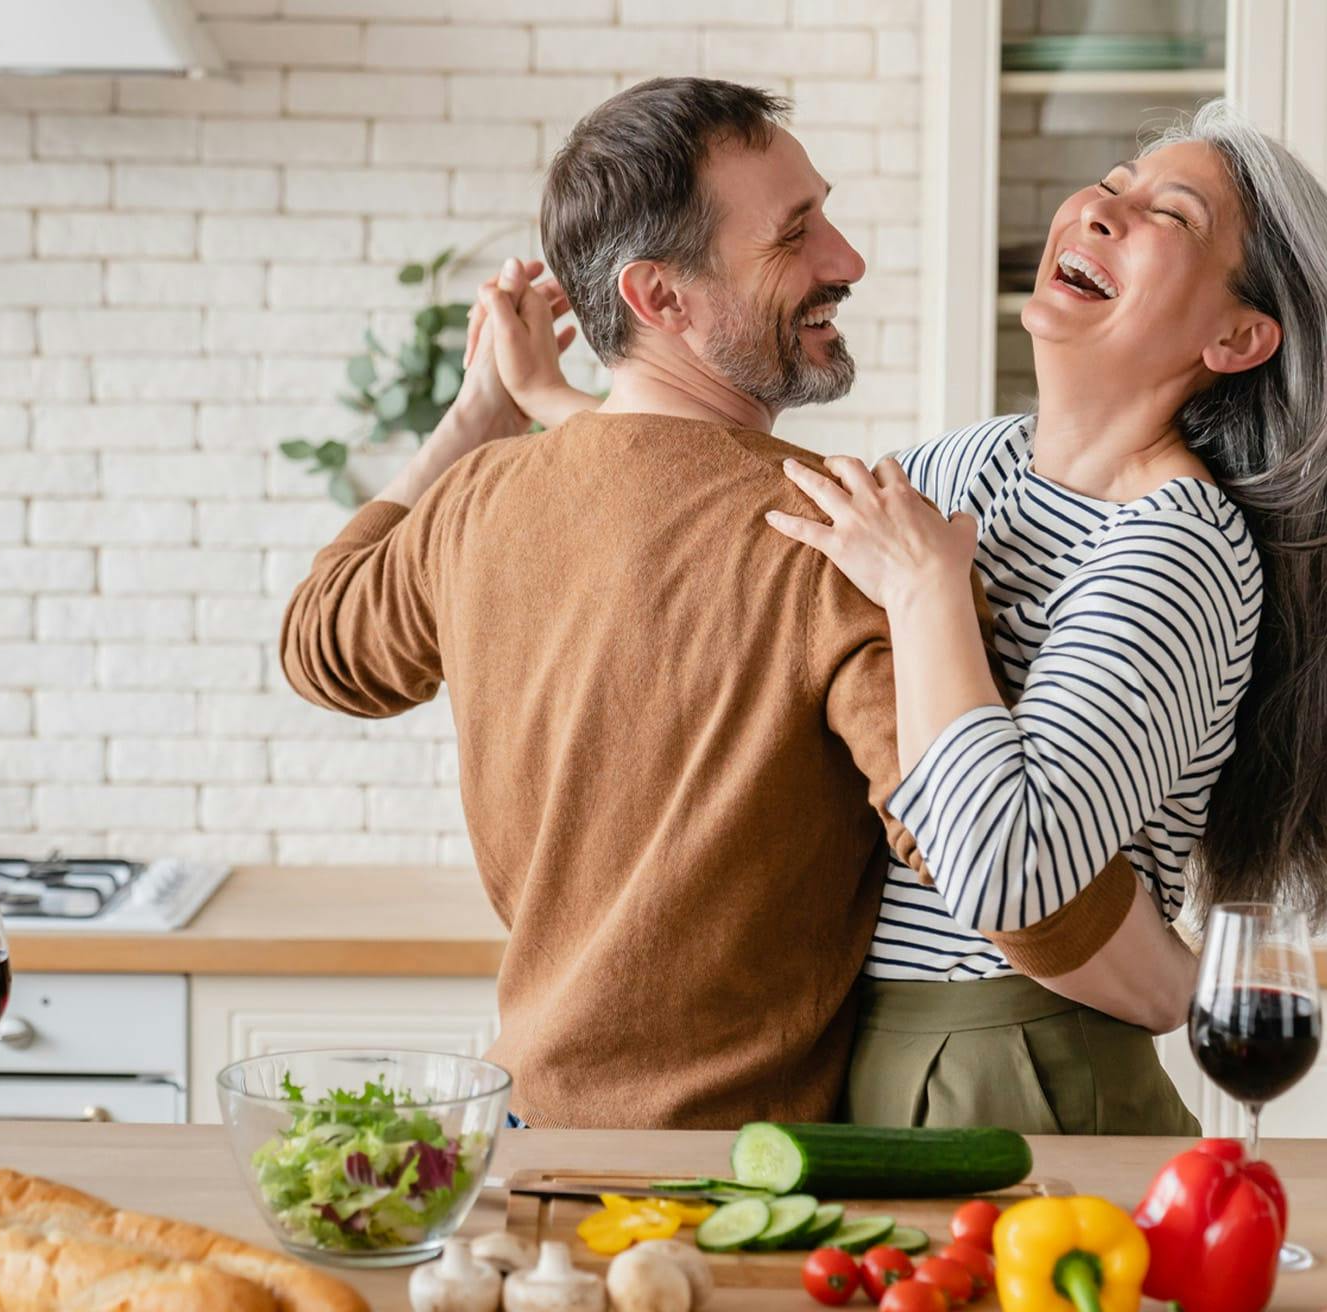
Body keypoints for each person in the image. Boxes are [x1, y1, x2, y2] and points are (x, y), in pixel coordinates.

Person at [480, 100, 1327, 1135]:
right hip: (873, 1053)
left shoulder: (1175, 548)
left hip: (1022, 1062)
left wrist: (931, 595)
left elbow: (1011, 872)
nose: (1102, 210)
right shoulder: (971, 464)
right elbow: (753, 512)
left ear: (1238, 335)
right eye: (1113, 184)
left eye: (1172, 216)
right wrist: (557, 400)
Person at [279, 78, 1136, 1131]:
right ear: (661, 298)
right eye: (794, 236)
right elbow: (1010, 878)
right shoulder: (829, 537)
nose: (847, 259)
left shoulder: (478, 502)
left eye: (822, 210)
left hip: (521, 1139)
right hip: (727, 1186)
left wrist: (475, 417)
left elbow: (320, 643)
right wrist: (1196, 985)